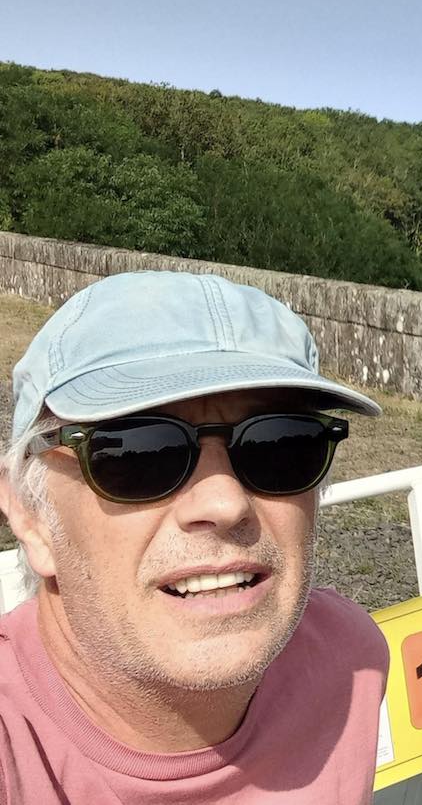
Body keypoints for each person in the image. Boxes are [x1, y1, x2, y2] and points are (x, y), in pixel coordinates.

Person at [0, 271, 391, 804]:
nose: (225, 503)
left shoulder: (349, 661)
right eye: (139, 454)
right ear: (30, 515)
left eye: (280, 445)